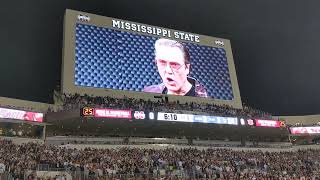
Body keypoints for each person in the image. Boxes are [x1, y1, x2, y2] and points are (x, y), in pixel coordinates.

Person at [144, 38, 208, 97]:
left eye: (174, 65)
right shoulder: (149, 92)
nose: (168, 71)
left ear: (187, 68)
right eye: (162, 63)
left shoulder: (202, 98)